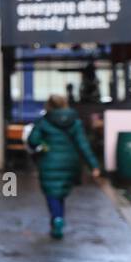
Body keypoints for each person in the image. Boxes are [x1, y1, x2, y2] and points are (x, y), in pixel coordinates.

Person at [28, 94, 101, 239]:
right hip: (70, 162)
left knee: (51, 193)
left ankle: (57, 219)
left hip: (49, 161)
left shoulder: (43, 121)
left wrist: (43, 146)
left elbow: (33, 140)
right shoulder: (75, 122)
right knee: (60, 193)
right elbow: (83, 145)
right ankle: (58, 218)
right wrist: (94, 165)